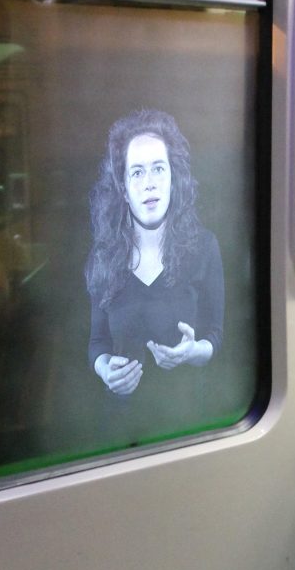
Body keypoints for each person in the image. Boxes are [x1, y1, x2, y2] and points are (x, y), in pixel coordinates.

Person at [85, 108, 223, 403]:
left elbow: (216, 334)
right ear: (123, 189)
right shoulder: (104, 257)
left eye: (159, 168)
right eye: (137, 172)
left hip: (188, 420)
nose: (149, 183)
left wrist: (193, 353)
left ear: (174, 179)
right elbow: (97, 343)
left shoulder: (205, 248)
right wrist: (105, 371)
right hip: (121, 427)